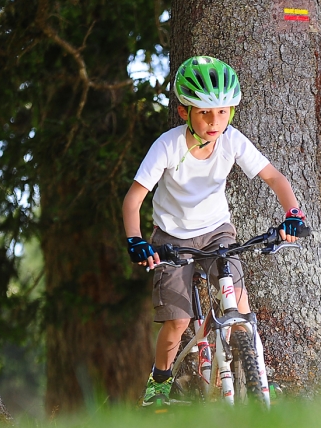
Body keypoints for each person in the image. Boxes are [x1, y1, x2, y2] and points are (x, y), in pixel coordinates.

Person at [122, 55, 306, 407]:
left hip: (218, 233)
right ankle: (158, 385)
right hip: (171, 239)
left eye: (223, 112)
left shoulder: (232, 140)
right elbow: (133, 200)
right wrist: (136, 240)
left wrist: (292, 214)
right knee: (177, 323)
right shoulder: (168, 145)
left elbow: (274, 178)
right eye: (205, 112)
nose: (214, 121)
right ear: (184, 112)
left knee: (239, 313)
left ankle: (258, 381)